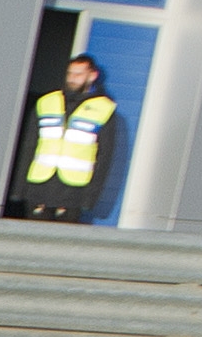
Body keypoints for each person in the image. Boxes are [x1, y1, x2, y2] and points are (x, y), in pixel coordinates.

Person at [8, 53, 120, 225]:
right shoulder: (46, 102)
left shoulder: (104, 109)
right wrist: (19, 189)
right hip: (39, 187)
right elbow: (29, 147)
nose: (73, 79)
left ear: (92, 75)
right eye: (70, 73)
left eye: (79, 74)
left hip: (73, 191)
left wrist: (89, 199)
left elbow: (104, 157)